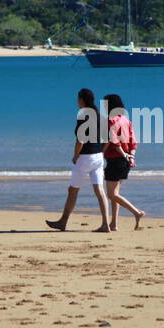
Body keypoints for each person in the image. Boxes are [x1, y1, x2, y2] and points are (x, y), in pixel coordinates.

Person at [46, 88, 111, 232]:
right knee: (99, 190)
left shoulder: (84, 115)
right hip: (98, 157)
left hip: (85, 157)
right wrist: (101, 152)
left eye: (78, 99)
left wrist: (76, 155)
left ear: (81, 100)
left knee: (73, 190)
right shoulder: (100, 116)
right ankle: (106, 224)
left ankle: (63, 221)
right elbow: (108, 139)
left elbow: (80, 139)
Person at [102, 93, 145, 230]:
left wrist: (101, 153)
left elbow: (114, 142)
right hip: (124, 162)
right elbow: (133, 142)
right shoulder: (126, 120)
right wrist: (130, 156)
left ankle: (136, 212)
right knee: (115, 193)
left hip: (115, 160)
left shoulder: (111, 120)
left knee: (111, 194)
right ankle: (114, 224)